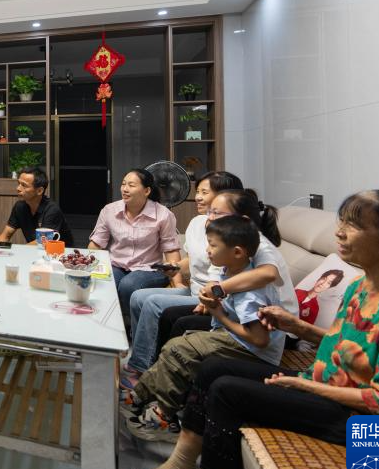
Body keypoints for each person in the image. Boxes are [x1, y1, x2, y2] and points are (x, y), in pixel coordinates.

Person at [124, 190, 379, 469]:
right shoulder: (363, 285)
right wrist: (298, 327)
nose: (340, 232)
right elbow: (349, 345)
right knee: (213, 368)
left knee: (228, 392)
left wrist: (304, 386)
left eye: (355, 225)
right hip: (332, 388)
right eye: (342, 221)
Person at [123, 216, 284, 442]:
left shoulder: (250, 294)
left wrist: (220, 315)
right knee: (175, 346)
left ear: (237, 252)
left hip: (253, 351)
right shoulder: (230, 271)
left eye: (213, 245)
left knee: (180, 350)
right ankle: (139, 396)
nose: (207, 250)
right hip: (234, 337)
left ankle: (163, 419)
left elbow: (260, 339)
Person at [145, 188, 301, 363]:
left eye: (217, 213)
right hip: (237, 310)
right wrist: (208, 297)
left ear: (242, 220)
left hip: (271, 324)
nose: (210, 217)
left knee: (182, 324)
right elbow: (215, 278)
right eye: (210, 211)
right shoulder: (225, 242)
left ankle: (170, 372)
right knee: (170, 315)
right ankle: (156, 368)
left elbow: (268, 274)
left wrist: (217, 291)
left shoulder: (259, 244)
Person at [124, 171, 244, 381]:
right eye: (198, 192)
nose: (197, 197)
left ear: (225, 197)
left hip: (209, 297)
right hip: (193, 288)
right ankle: (142, 353)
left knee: (152, 303)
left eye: (204, 192)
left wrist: (211, 296)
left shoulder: (234, 234)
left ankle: (142, 368)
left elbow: (225, 277)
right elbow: (193, 259)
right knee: (137, 297)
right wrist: (176, 267)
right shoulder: (197, 223)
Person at [89, 168, 182, 320]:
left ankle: (131, 325)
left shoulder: (163, 215)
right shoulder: (109, 210)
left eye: (131, 185)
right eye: (123, 184)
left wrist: (177, 283)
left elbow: (171, 250)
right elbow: (96, 244)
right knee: (103, 282)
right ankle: (107, 321)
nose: (125, 189)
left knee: (128, 285)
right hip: (116, 265)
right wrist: (87, 267)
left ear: (146, 191)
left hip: (150, 269)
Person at [0, 167, 75, 247]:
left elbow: (42, 242)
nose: (18, 188)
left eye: (24, 185)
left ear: (39, 191)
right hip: (35, 251)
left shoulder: (52, 210)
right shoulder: (19, 207)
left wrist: (17, 251)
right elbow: (6, 235)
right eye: (19, 183)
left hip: (60, 252)